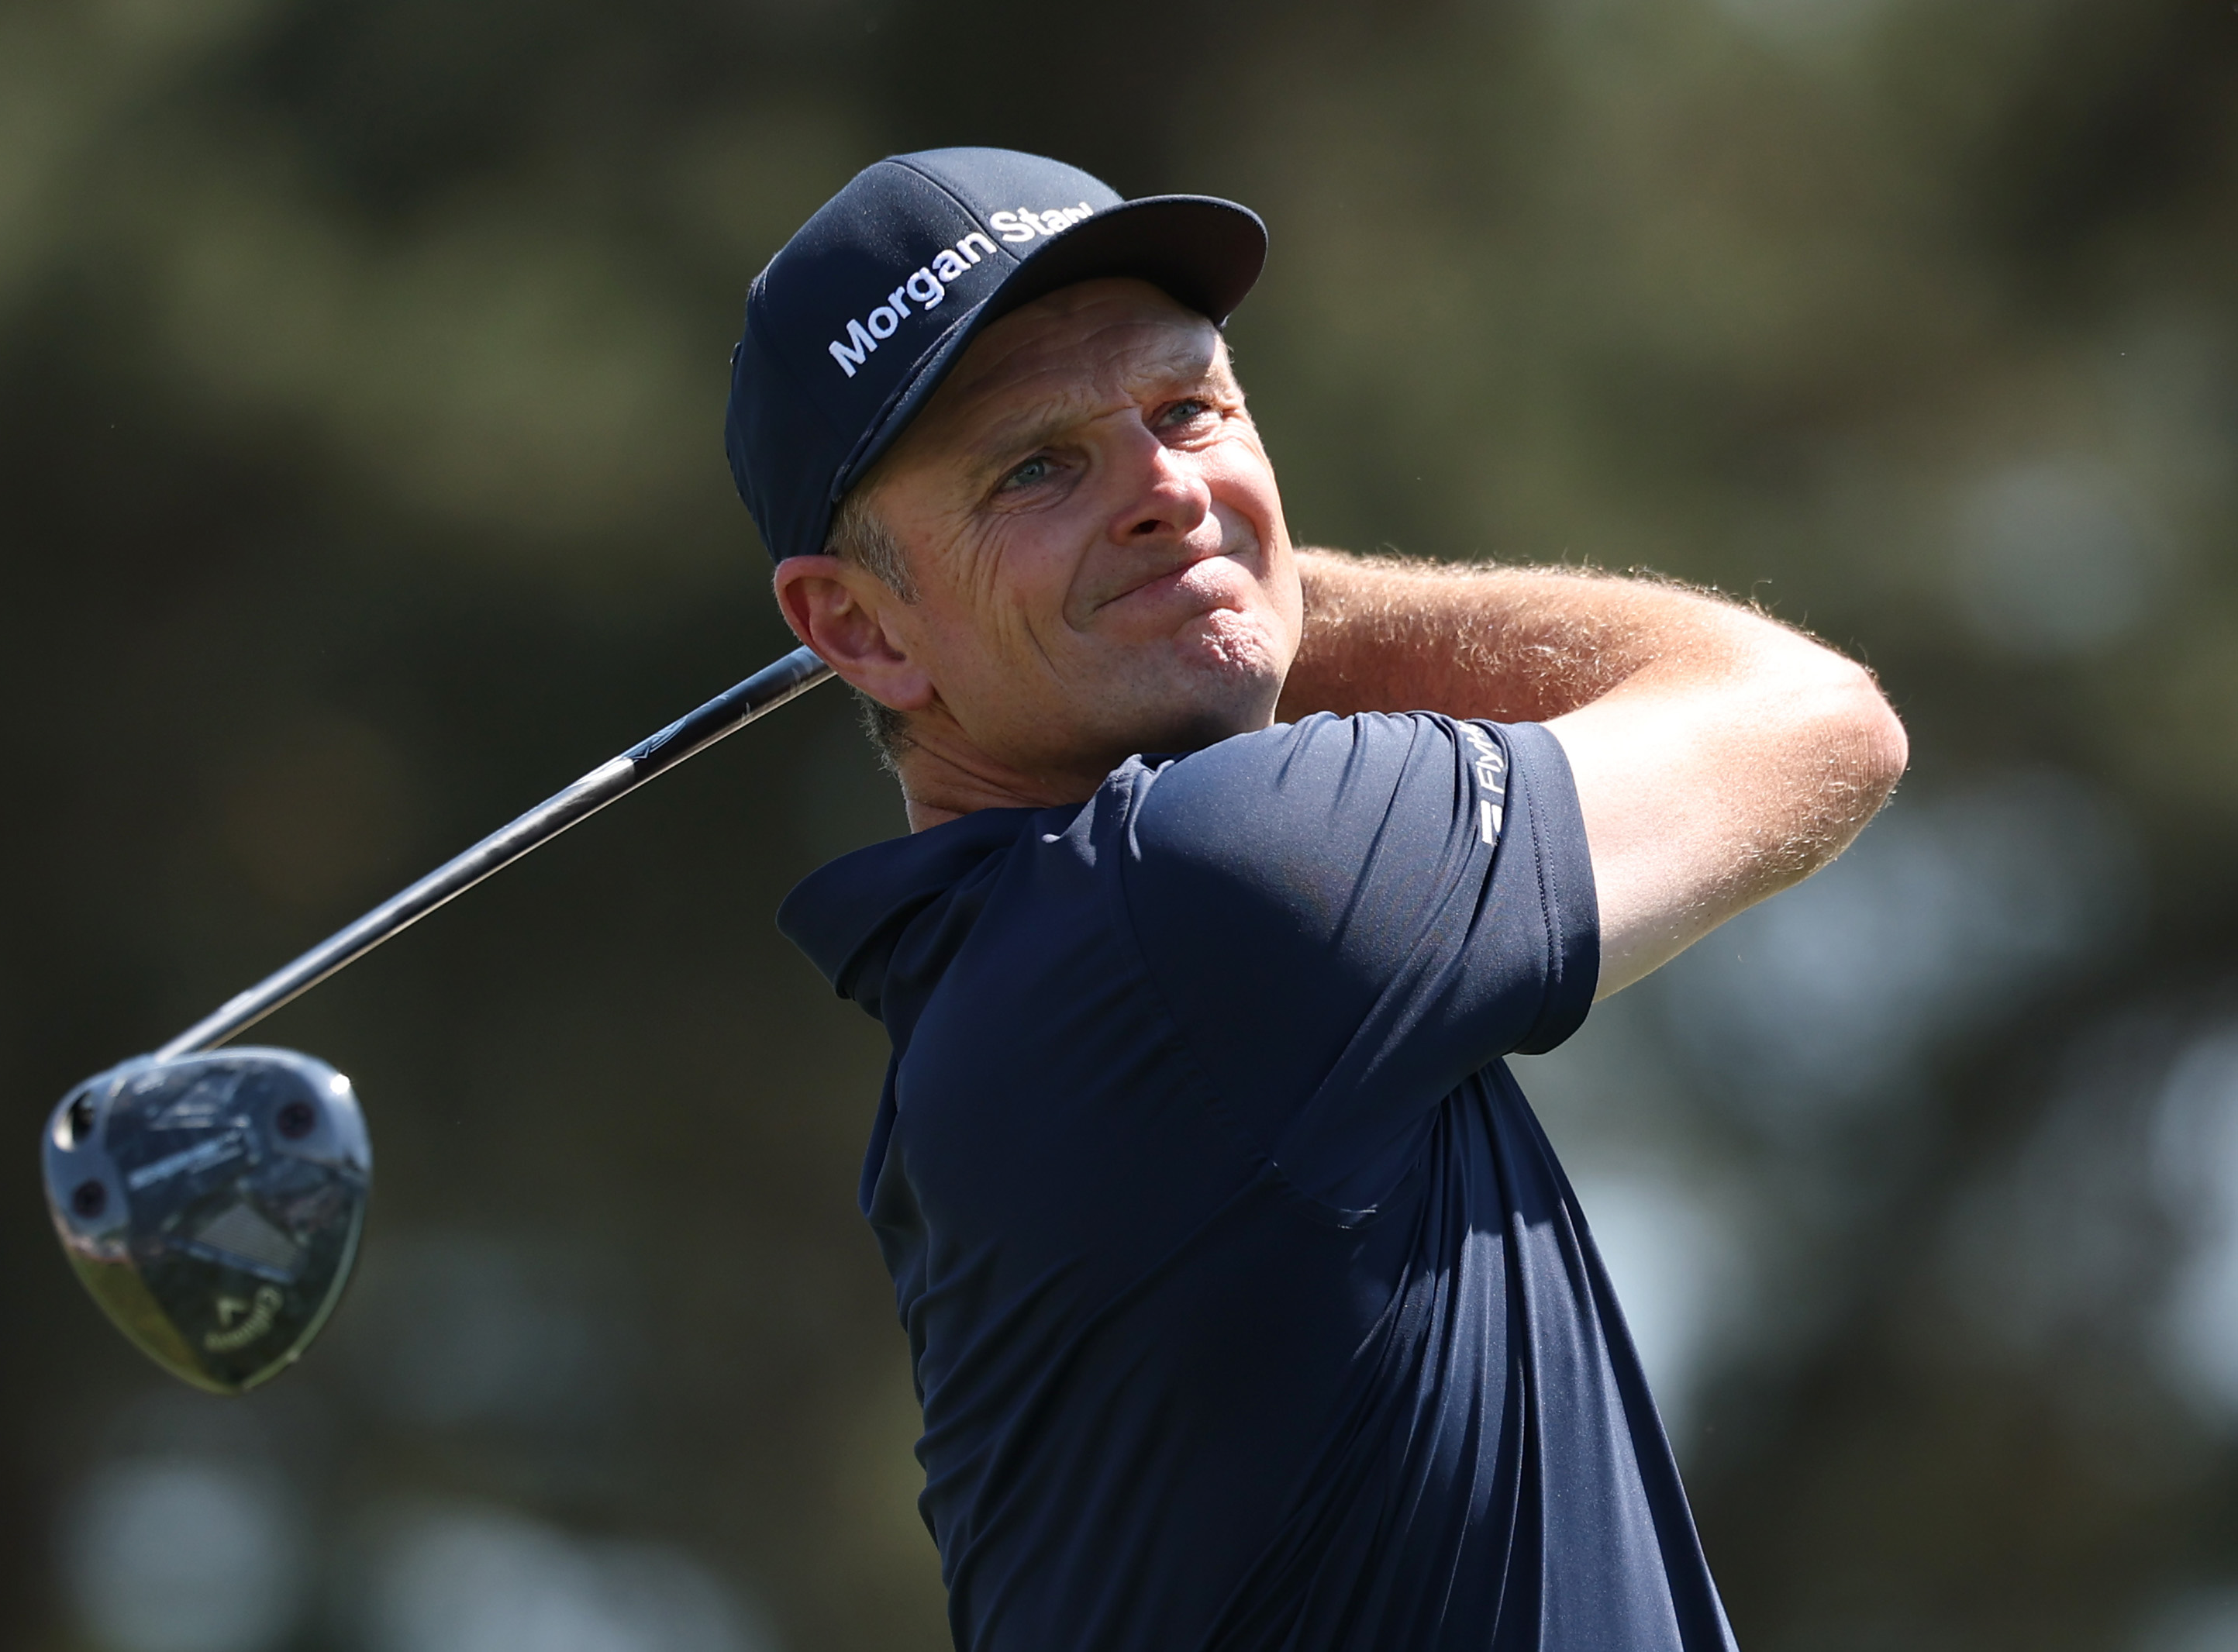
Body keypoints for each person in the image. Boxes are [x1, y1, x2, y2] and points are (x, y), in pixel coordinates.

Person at [726, 148, 1906, 1652]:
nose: (1164, 487)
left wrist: (1184, 580)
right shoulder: (1208, 892)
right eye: (1035, 466)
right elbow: (1816, 721)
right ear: (855, 626)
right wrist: (1271, 585)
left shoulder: (1011, 978)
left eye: (1191, 411)